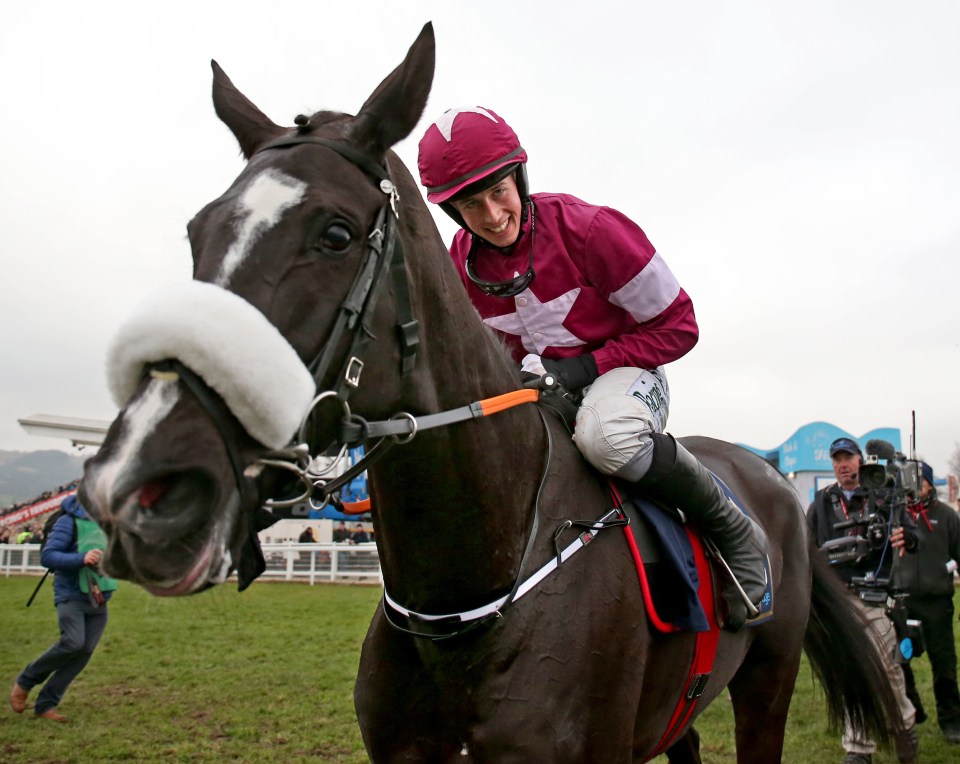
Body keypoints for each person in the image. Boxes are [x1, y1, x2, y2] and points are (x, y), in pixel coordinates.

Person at [417, 106, 769, 630]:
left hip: (625, 376)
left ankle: (735, 529)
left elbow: (680, 325)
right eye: (471, 205)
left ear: (520, 177)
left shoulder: (592, 230)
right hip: (536, 394)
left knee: (606, 438)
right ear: (453, 213)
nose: (492, 216)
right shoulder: (458, 267)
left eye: (499, 192)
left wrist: (589, 366)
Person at [806, 437, 920, 764]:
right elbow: (808, 545)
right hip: (838, 597)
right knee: (851, 669)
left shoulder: (882, 495)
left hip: (876, 595)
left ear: (860, 460)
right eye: (837, 459)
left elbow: (911, 536)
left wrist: (906, 536)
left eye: (848, 458)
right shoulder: (823, 502)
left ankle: (903, 725)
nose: (843, 465)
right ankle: (858, 748)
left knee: (887, 668)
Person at [9, 494, 117, 722]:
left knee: (84, 651)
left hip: (99, 596)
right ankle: (26, 681)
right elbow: (48, 556)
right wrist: (82, 558)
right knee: (72, 642)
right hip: (71, 593)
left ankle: (46, 704)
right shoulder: (67, 521)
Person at [897, 462, 960, 744]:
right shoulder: (896, 515)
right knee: (899, 662)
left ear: (930, 484)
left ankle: (951, 719)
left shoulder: (947, 516)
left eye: (919, 482)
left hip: (937, 602)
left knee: (944, 664)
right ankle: (913, 710)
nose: (914, 488)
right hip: (902, 600)